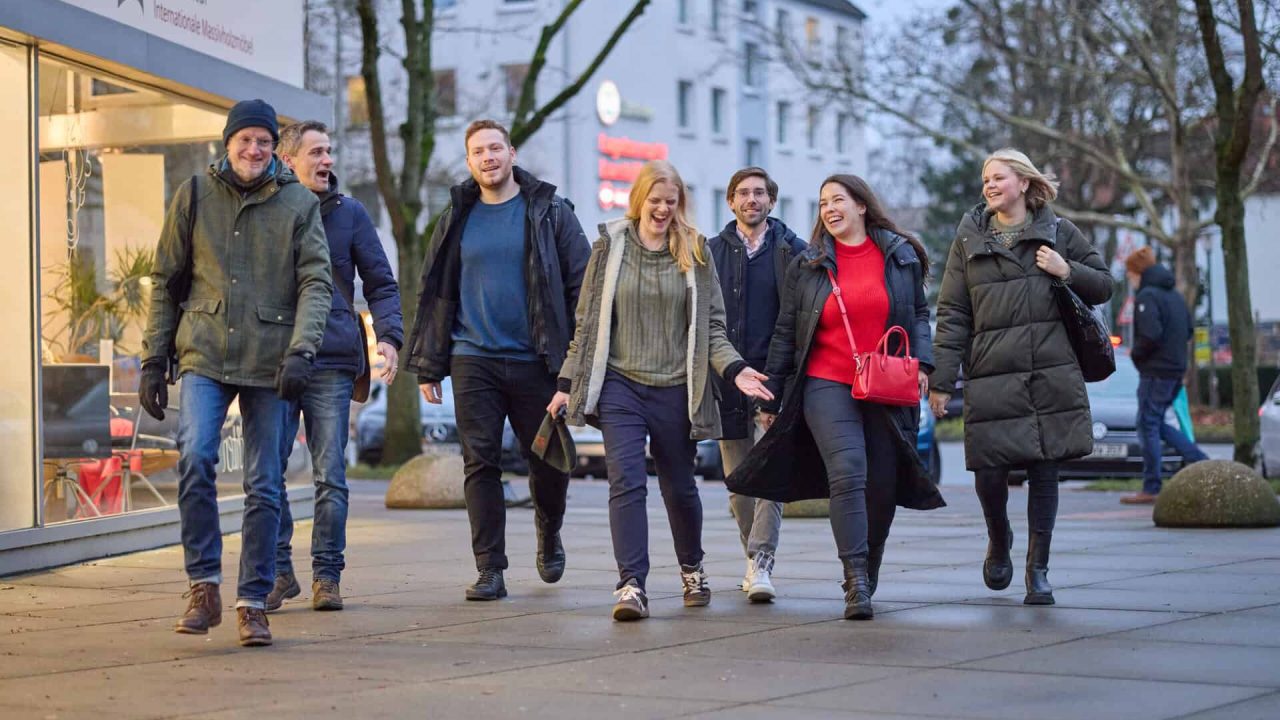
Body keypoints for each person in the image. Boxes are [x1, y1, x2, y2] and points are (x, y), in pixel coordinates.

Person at [139, 99, 333, 646]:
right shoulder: (194, 195)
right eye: (245, 139)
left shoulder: (298, 202)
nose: (254, 150)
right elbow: (166, 279)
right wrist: (155, 357)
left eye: (264, 142)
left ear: (276, 148)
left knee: (264, 483)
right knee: (196, 455)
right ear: (227, 143)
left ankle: (253, 600)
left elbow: (317, 282)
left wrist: (303, 351)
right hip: (203, 350)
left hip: (272, 361)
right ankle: (204, 585)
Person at [548, 160, 775, 622]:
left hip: (675, 386)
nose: (663, 210)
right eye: (655, 201)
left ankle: (692, 567)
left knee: (679, 486)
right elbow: (587, 325)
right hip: (620, 386)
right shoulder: (610, 247)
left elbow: (713, 327)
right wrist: (566, 384)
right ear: (639, 200)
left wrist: (735, 370)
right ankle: (631, 583)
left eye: (671, 203)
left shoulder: (694, 249)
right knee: (626, 482)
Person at [727, 174, 944, 621]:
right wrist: (773, 399)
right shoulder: (808, 265)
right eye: (823, 202)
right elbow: (786, 333)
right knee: (847, 472)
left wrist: (923, 362)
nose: (829, 209)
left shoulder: (899, 256)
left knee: (881, 488)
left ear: (862, 205)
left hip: (886, 382)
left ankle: (871, 560)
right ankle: (855, 578)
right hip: (827, 383)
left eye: (838, 200)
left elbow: (919, 316)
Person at [404, 119, 590, 601]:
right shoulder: (457, 214)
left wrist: (574, 366)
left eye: (495, 148)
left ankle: (549, 532)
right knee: (479, 463)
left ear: (511, 152)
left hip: (538, 360)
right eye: (477, 152)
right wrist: (429, 362)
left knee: (548, 462)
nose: (487, 158)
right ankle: (490, 568)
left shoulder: (549, 211)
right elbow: (434, 291)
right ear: (469, 161)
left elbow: (582, 288)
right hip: (473, 359)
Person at [929, 148, 1113, 606]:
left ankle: (1039, 569)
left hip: (1049, 372)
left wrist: (1066, 270)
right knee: (989, 474)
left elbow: (1106, 285)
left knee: (1044, 470)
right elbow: (952, 312)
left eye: (998, 178)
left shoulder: (1059, 231)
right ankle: (999, 537)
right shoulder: (969, 237)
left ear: (1025, 183)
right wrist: (941, 380)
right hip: (991, 372)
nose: (989, 185)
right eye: (985, 179)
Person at [266, 120, 404, 611]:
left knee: (330, 475)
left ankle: (327, 574)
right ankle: (279, 571)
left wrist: (388, 337)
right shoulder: (265, 211)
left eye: (330, 151)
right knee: (267, 473)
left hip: (332, 360)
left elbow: (382, 284)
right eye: (317, 153)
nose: (328, 161)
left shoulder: (351, 214)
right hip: (274, 363)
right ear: (288, 161)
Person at [707, 167, 806, 602]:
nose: (751, 199)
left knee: (770, 477)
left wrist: (786, 381)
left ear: (771, 200)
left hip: (774, 382)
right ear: (731, 201)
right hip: (726, 380)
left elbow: (804, 322)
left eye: (759, 193)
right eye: (743, 193)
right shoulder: (709, 252)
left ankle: (761, 560)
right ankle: (753, 555)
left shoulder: (795, 253)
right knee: (738, 482)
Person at [1120, 246, 1209, 504]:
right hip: (1175, 370)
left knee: (1147, 424)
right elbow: (1190, 330)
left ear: (1138, 272)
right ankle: (1199, 461)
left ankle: (1152, 486)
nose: (1128, 278)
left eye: (1129, 273)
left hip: (1156, 372)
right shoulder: (1175, 296)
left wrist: (1136, 356)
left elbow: (1150, 335)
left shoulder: (1148, 296)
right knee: (1156, 422)